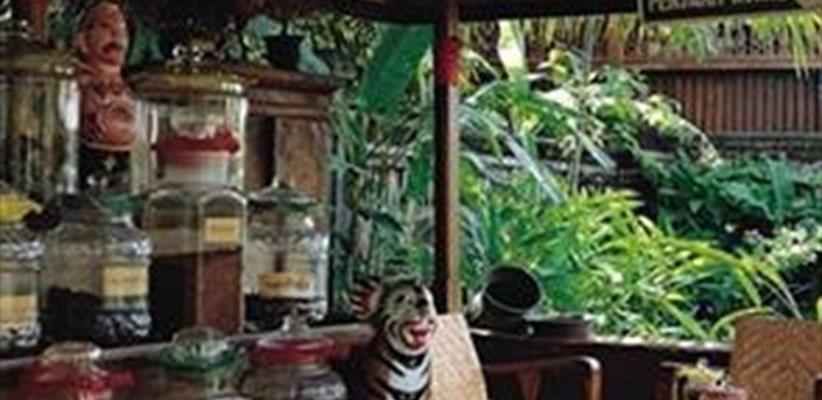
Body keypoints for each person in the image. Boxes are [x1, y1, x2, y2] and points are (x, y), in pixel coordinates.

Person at [74, 0, 133, 191]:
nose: (116, 34)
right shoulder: (74, 88)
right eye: (105, 26)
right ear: (82, 39)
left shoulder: (136, 91)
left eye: (122, 29)